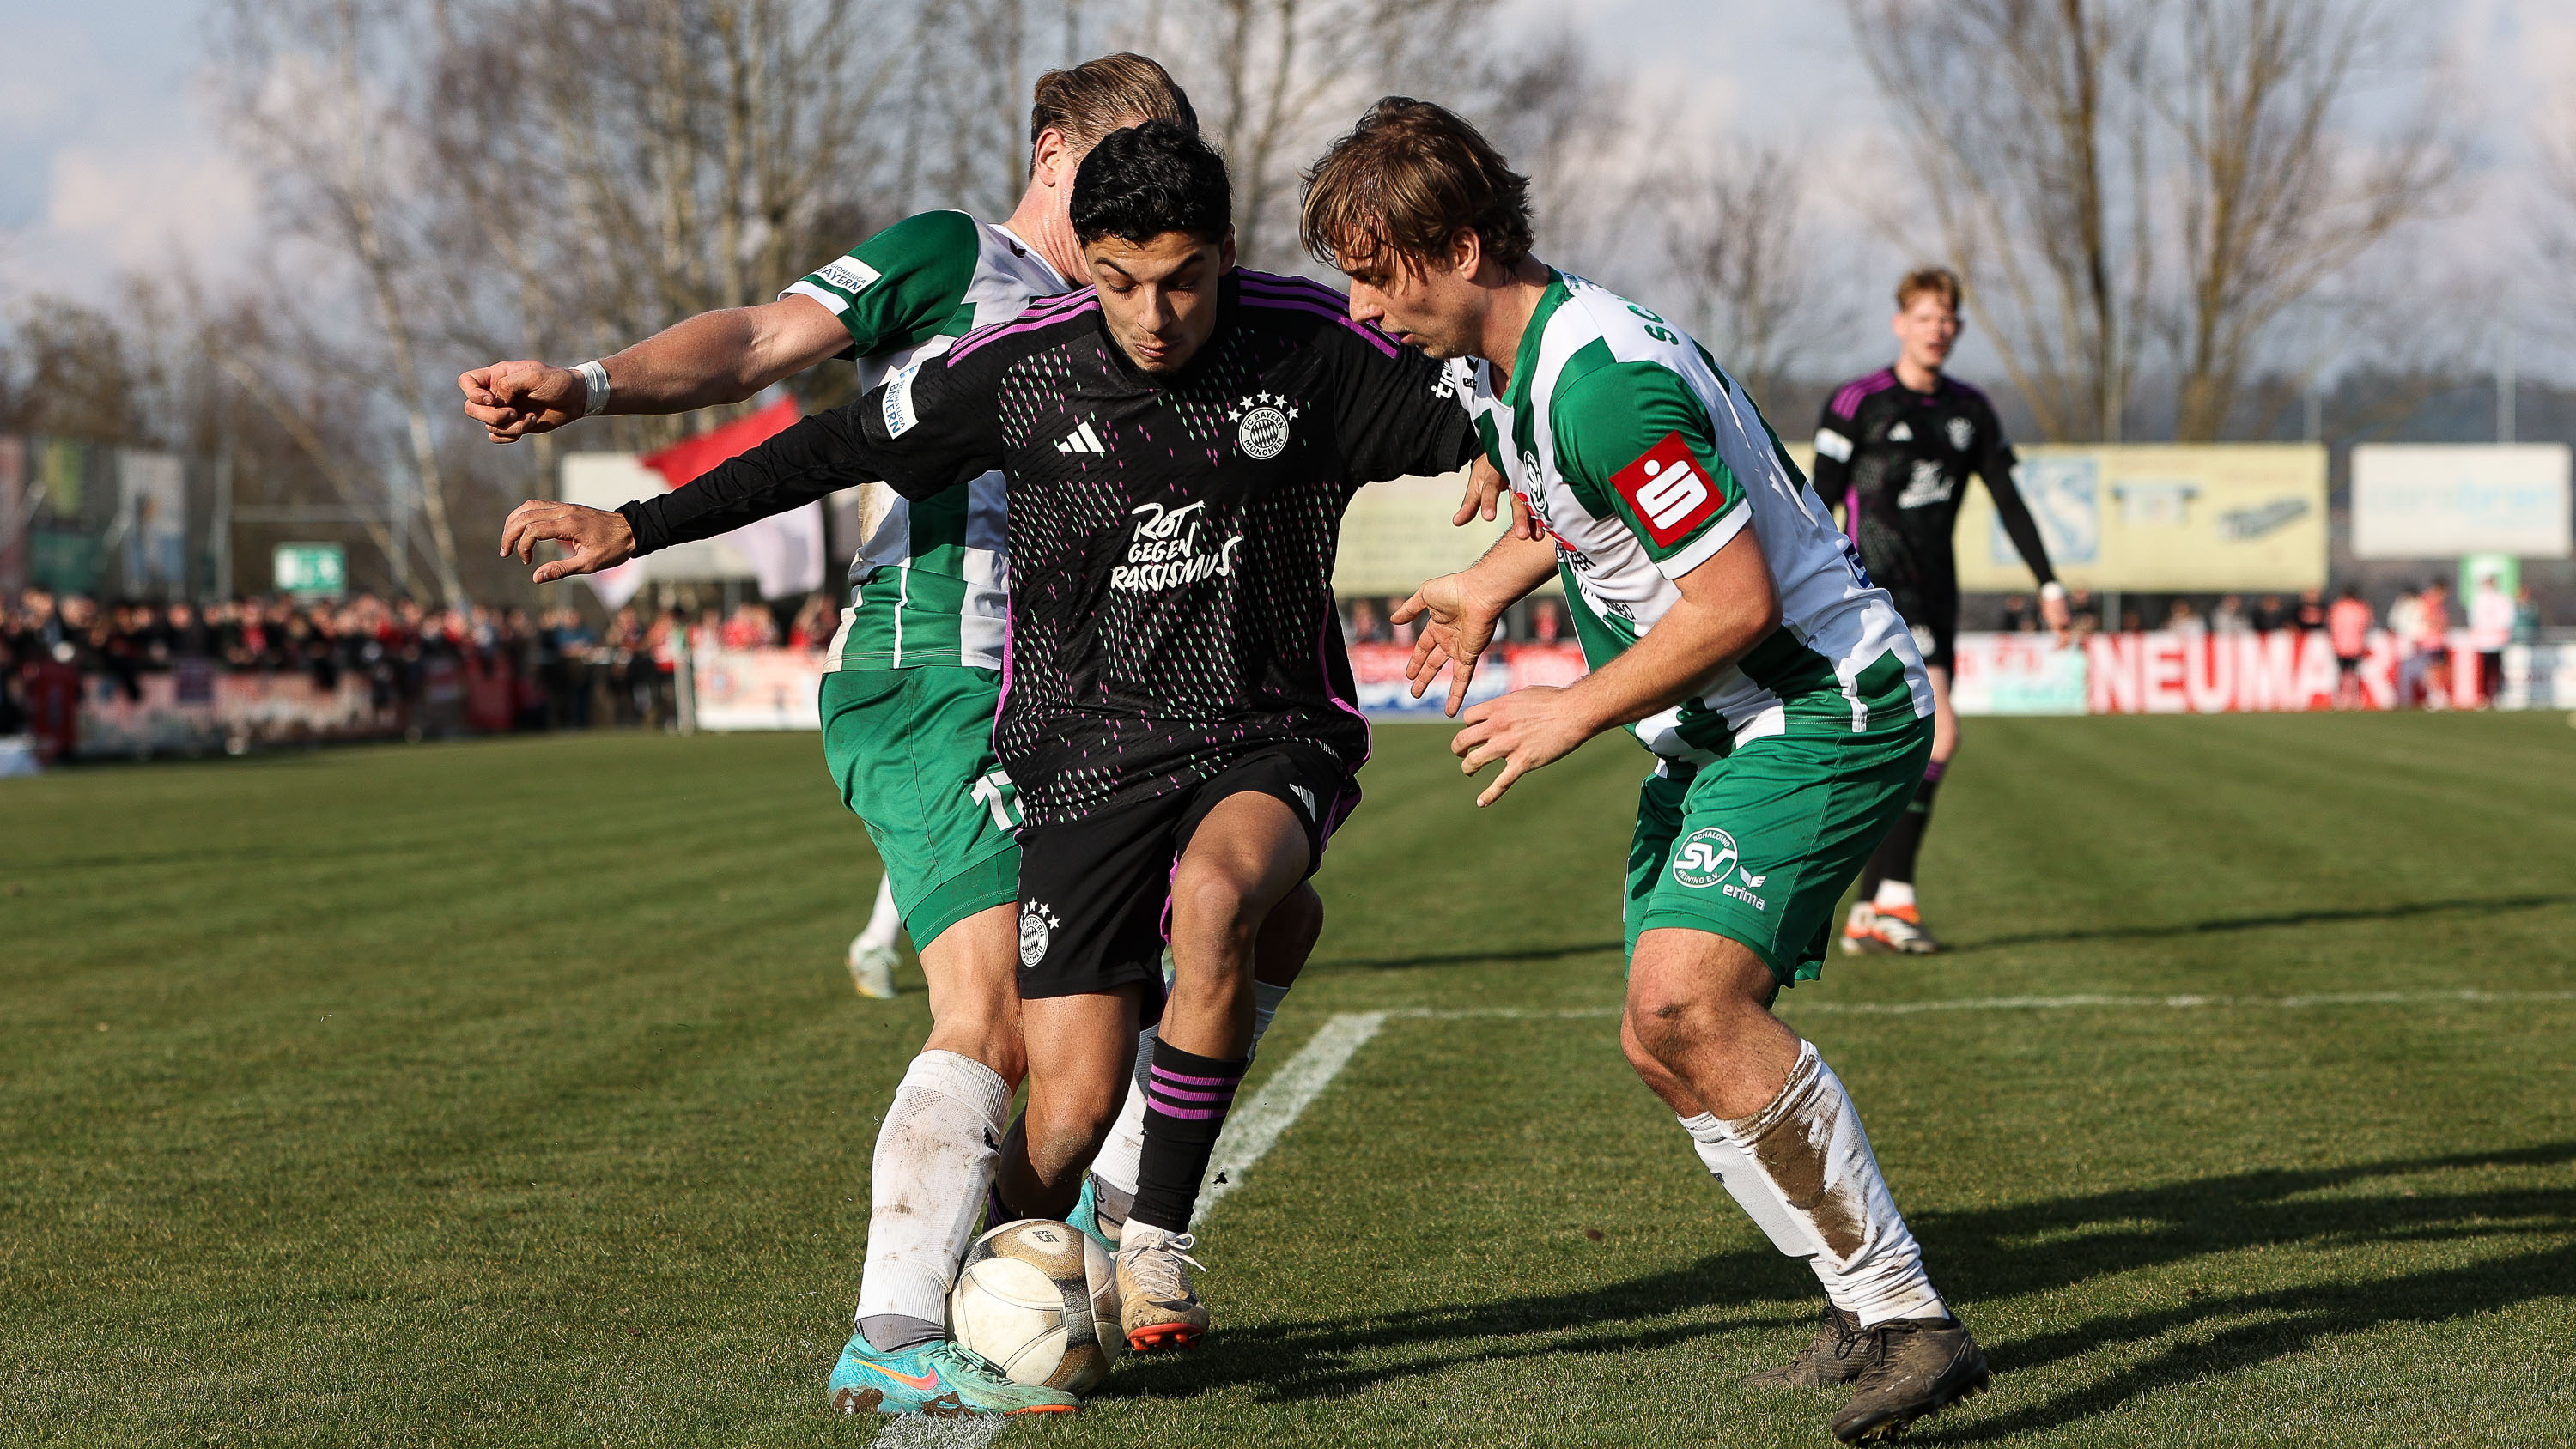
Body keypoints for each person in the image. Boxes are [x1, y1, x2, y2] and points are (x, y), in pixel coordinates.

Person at [477, 58, 1264, 1420]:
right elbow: (758, 343)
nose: (1142, 199)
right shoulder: (954, 259)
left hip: (1080, 705)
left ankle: (1070, 1250)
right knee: (994, 1019)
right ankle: (898, 1328)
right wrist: (593, 388)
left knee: (1239, 926)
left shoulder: (1148, 321)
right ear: (1052, 150)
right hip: (933, 671)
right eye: (1119, 164)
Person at [1307, 97, 1986, 1446]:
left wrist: (1569, 710)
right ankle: (1860, 1301)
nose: (1363, 307)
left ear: (1460, 245)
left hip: (1813, 703)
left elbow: (1732, 599)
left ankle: (1914, 1320)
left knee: (1688, 1004)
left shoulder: (1601, 375)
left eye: (1376, 271)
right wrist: (1493, 582)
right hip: (1721, 723)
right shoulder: (1515, 365)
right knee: (1659, 1042)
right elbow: (1583, 511)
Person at [1808, 268, 2068, 956]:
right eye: (1925, 317)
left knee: (1902, 742)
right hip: (1873, 588)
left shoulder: (1970, 411)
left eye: (1948, 318)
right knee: (1940, 734)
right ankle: (1892, 901)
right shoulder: (1859, 402)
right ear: (1901, 324)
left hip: (1938, 592)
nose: (1938, 329)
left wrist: (2048, 584)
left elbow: (2009, 500)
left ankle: (1868, 909)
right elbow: (1816, 502)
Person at [2468, 572, 2512, 706]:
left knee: (2498, 669)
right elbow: (2475, 619)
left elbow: (2507, 618)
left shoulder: (2502, 598)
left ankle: (2498, 694)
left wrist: (2496, 627)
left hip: (2498, 641)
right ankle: (2484, 695)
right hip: (2482, 642)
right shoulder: (2478, 599)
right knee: (2483, 670)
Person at [2328, 585, 2372, 710]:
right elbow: (2367, 624)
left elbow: (2333, 625)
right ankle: (2354, 698)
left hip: (2339, 645)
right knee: (2353, 673)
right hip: (2357, 645)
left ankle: (2341, 699)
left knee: (2341, 672)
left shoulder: (2338, 607)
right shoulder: (2361, 608)